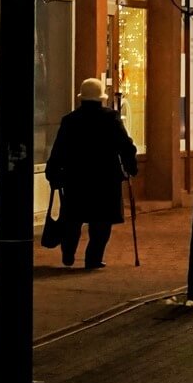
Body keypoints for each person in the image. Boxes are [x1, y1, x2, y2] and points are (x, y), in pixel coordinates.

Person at [45, 78, 138, 270]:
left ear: (81, 98)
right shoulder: (111, 118)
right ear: (101, 98)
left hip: (76, 178)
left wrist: (53, 173)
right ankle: (93, 258)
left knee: (73, 218)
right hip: (105, 178)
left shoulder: (70, 120)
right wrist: (131, 166)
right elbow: (125, 145)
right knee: (101, 222)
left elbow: (59, 150)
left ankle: (68, 252)